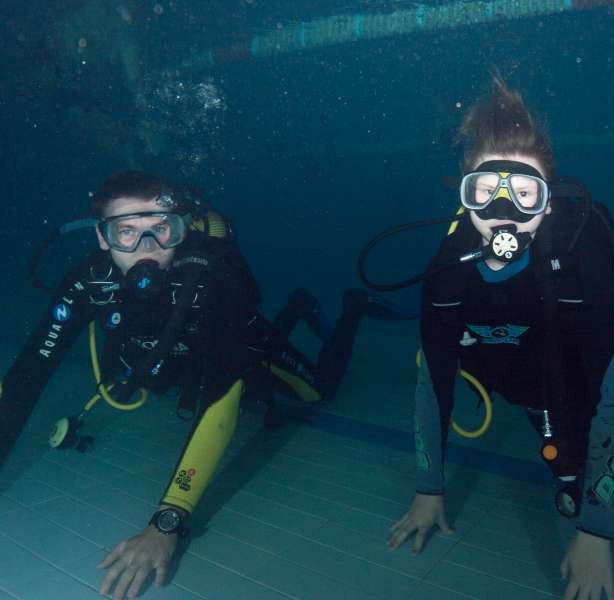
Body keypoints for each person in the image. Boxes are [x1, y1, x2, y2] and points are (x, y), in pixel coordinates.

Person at [384, 78, 614, 600]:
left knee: (610, 417)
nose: (504, 210)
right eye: (485, 192)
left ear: (548, 204)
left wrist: (597, 533)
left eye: (525, 193)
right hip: (533, 360)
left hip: (588, 352)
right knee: (557, 428)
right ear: (464, 199)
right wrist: (428, 492)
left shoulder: (583, 262)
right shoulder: (448, 273)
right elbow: (434, 384)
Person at [0, 171, 384, 600]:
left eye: (160, 230)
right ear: (102, 238)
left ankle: (348, 310)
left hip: (242, 347)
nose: (146, 249)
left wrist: (167, 521)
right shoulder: (87, 280)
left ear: (179, 228)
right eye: (126, 231)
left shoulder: (214, 274)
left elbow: (223, 394)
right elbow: (27, 375)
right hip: (170, 360)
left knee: (320, 390)